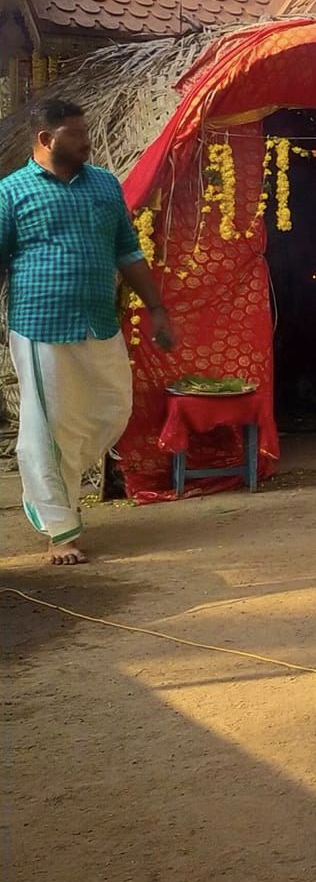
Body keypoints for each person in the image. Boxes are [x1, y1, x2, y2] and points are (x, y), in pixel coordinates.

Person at [0, 98, 175, 563]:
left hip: (98, 322)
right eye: (75, 135)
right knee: (48, 426)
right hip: (40, 328)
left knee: (110, 407)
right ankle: (61, 530)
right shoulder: (11, 192)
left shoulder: (103, 185)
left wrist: (157, 308)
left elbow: (127, 250)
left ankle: (65, 484)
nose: (87, 141)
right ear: (45, 139)